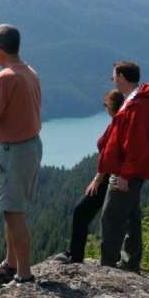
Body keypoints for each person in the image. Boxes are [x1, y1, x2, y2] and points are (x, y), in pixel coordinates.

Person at [0, 24, 43, 286]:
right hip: (29, 146)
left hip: (12, 153)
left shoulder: (4, 77)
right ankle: (11, 262)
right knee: (10, 209)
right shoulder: (29, 71)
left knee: (14, 212)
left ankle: (24, 274)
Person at [97, 61, 149, 273]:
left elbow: (136, 144)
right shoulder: (134, 101)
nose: (113, 80)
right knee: (131, 216)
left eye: (114, 77)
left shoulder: (137, 104)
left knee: (111, 216)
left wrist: (125, 173)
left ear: (122, 78)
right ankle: (130, 262)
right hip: (128, 170)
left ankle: (109, 265)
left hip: (126, 171)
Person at [54, 88, 125, 264]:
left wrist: (97, 179)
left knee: (82, 211)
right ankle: (111, 257)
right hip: (113, 174)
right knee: (115, 216)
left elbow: (110, 155)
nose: (105, 107)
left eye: (106, 104)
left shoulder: (118, 123)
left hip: (110, 176)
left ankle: (76, 255)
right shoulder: (120, 121)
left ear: (112, 105)